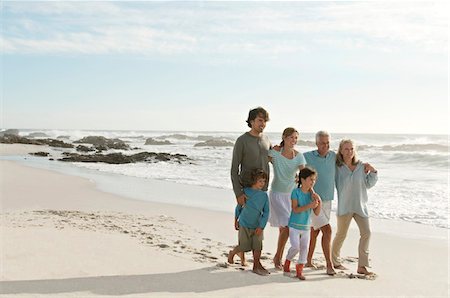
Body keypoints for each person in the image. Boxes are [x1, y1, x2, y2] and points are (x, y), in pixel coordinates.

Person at [331, 139, 378, 275]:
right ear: (340, 150)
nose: (349, 151)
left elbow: (368, 184)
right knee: (341, 235)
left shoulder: (361, 166)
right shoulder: (337, 167)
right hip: (345, 207)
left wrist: (373, 171)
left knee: (366, 233)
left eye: (351, 149)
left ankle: (362, 266)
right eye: (346, 149)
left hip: (360, 206)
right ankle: (335, 262)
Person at [268, 127, 306, 270]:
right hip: (277, 195)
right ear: (284, 137)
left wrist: (311, 192)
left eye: (296, 138)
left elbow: (304, 175)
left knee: (285, 228)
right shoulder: (275, 153)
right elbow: (261, 161)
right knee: (286, 228)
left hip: (292, 196)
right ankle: (278, 256)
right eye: (291, 137)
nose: (294, 141)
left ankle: (280, 256)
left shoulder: (299, 156)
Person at [303, 131, 336, 275]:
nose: (325, 145)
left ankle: (308, 260)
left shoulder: (334, 156)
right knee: (327, 230)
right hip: (313, 200)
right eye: (322, 142)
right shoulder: (307, 157)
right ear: (316, 143)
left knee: (315, 231)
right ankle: (329, 264)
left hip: (328, 199)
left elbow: (349, 159)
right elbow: (298, 172)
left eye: (328, 142)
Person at [227, 169, 271, 276]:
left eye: (264, 181)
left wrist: (262, 226)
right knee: (243, 246)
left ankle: (256, 266)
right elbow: (239, 207)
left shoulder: (264, 196)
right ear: (254, 181)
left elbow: (266, 212)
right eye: (260, 181)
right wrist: (236, 220)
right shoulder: (245, 192)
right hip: (244, 223)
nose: (262, 183)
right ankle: (232, 253)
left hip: (257, 225)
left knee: (258, 246)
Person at [283, 167, 321, 280]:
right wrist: (310, 205)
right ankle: (288, 261)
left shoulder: (312, 195)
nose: (313, 182)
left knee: (304, 248)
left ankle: (299, 270)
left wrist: (319, 201)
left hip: (306, 226)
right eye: (311, 179)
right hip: (294, 225)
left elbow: (317, 212)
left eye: (314, 180)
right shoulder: (296, 192)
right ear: (303, 180)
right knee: (295, 246)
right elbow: (295, 209)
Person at [231, 107, 271, 207]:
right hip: (247, 191)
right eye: (260, 120)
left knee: (260, 221)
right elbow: (234, 170)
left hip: (263, 190)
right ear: (251, 121)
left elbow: (274, 160)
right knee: (245, 221)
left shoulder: (266, 139)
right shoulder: (242, 140)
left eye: (265, 121)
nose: (263, 124)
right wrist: (238, 194)